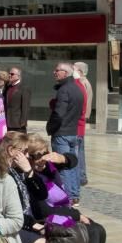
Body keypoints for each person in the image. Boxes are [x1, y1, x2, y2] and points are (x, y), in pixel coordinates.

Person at [27, 133, 108, 243]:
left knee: (100, 230)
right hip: (48, 219)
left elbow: (73, 160)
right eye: (36, 156)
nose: (41, 159)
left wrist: (61, 157)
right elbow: (44, 211)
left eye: (44, 153)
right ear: (28, 158)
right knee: (90, 231)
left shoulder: (49, 168)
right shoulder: (32, 177)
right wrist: (77, 215)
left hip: (62, 212)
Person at [46, 62, 84, 205]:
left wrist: (50, 127)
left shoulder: (65, 89)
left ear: (66, 73)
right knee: (72, 163)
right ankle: (74, 195)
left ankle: (67, 197)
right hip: (72, 132)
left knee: (63, 165)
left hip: (62, 132)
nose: (54, 72)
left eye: (57, 70)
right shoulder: (77, 88)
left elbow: (59, 113)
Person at [73, 62, 93, 187]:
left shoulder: (82, 83)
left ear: (79, 71)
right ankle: (81, 176)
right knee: (79, 150)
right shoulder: (84, 82)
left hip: (78, 122)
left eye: (73, 68)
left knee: (77, 151)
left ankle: (80, 176)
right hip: (80, 121)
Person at [3, 66, 31, 132]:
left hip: (18, 124)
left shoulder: (24, 88)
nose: (9, 75)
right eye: (9, 74)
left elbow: (25, 106)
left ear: (18, 76)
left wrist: (23, 122)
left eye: (12, 74)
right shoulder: (8, 87)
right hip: (7, 122)